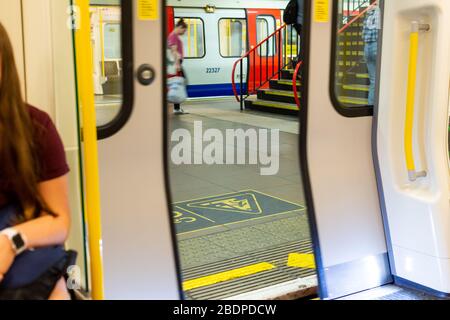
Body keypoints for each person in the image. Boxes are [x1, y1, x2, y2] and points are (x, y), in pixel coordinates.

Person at [0, 23, 72, 300]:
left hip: (17, 247)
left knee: (56, 288)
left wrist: (11, 240)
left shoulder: (34, 127)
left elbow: (59, 221)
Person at [362, 0, 381, 105]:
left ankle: (371, 106)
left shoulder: (369, 12)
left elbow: (363, 33)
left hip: (367, 47)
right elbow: (380, 30)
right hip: (376, 45)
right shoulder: (380, 11)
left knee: (373, 81)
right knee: (382, 79)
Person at [168, 19, 188, 115]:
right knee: (179, 83)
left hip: (176, 63)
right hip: (176, 63)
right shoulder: (173, 36)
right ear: (180, 27)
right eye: (184, 31)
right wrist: (177, 64)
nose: (184, 33)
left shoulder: (174, 36)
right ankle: (176, 107)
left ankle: (177, 107)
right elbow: (174, 51)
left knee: (178, 84)